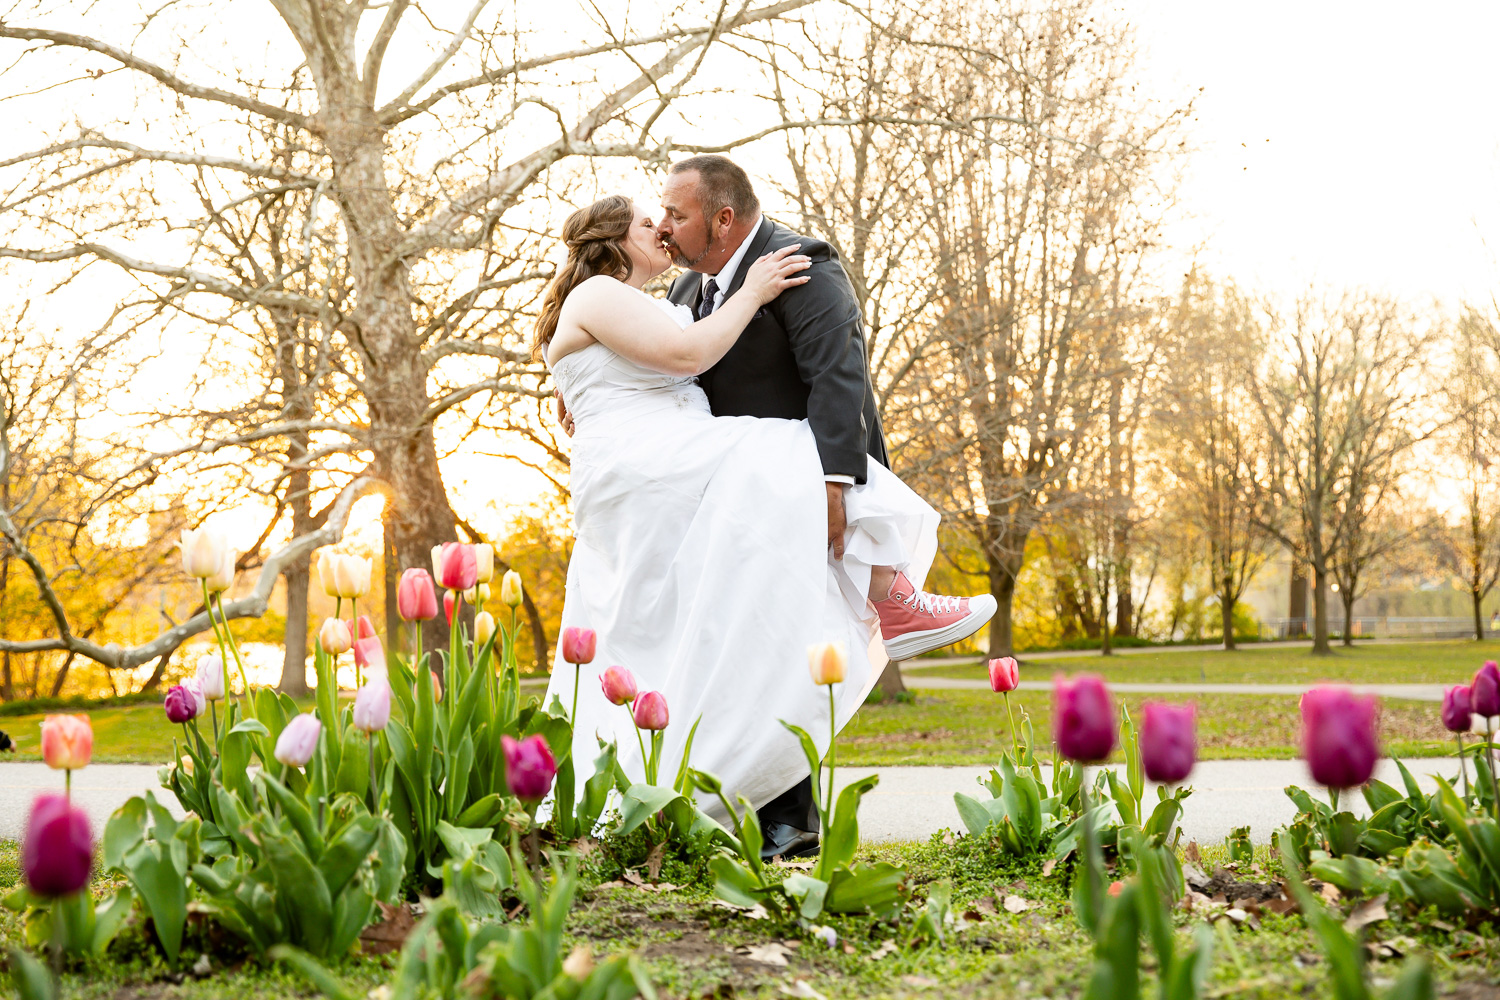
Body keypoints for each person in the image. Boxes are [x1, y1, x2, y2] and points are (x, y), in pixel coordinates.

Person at [544, 173, 993, 859]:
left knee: (698, 632)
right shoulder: (606, 292)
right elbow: (690, 355)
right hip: (654, 464)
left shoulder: (642, 298)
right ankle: (895, 599)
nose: (661, 229)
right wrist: (753, 291)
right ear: (612, 243)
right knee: (800, 459)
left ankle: (686, 790)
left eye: (669, 217)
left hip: (652, 463)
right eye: (647, 222)